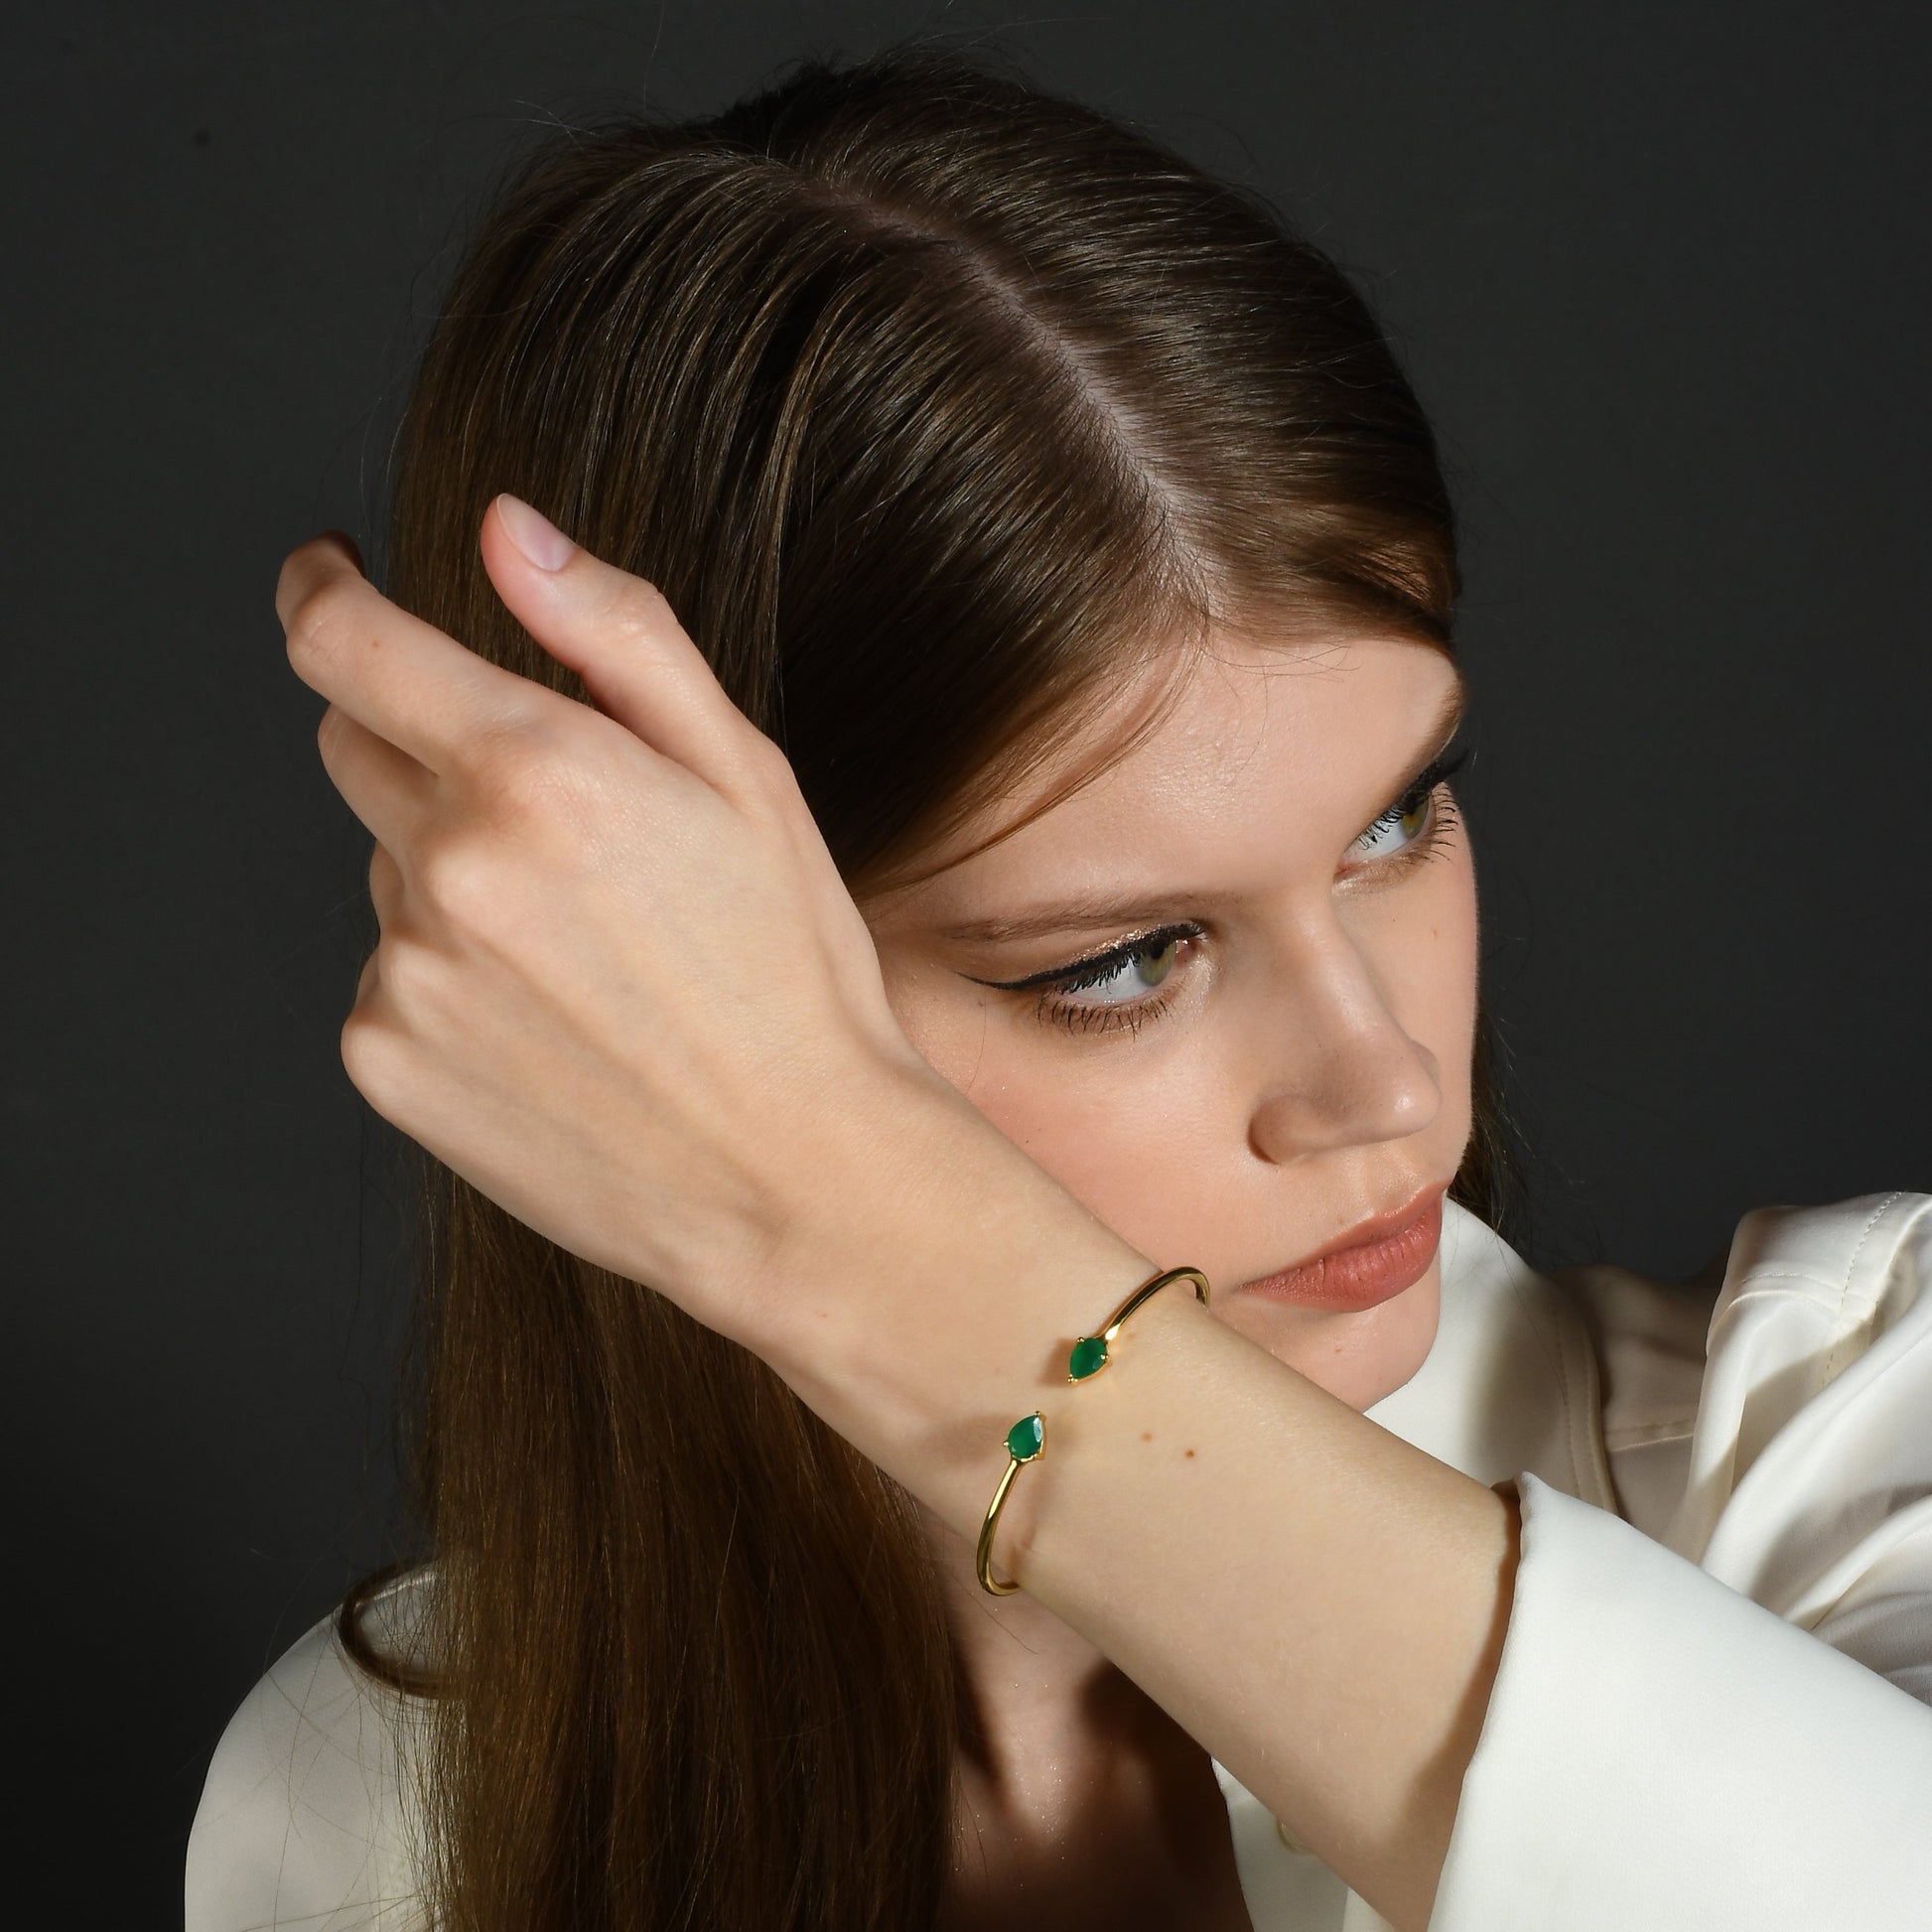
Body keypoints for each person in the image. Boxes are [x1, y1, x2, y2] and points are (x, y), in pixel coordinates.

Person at [184, 41, 1932, 1932]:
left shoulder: (1843, 1429)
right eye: (1117, 959)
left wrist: (883, 1265)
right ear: (642, 1004)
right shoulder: (371, 1805)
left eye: (1392, 820)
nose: (1385, 1085)